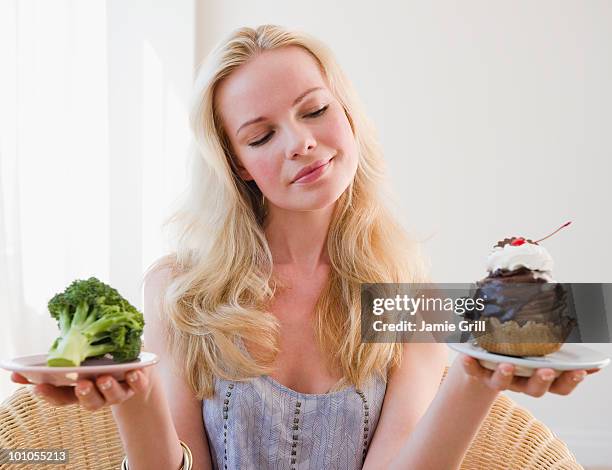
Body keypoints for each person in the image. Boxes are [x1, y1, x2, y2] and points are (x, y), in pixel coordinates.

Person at [11, 24, 598, 470]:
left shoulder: (408, 300)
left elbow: (578, 319)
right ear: (237, 165)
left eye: (315, 110)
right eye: (262, 135)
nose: (302, 143)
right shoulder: (180, 290)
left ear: (347, 114)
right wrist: (135, 403)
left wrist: (473, 377)